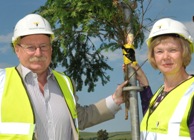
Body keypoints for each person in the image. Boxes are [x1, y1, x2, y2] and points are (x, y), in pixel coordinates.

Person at [0, 13, 128, 140]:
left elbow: (80, 118)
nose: (38, 53)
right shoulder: (2, 81)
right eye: (31, 47)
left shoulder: (65, 82)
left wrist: (115, 99)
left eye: (43, 46)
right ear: (17, 50)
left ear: (51, 49)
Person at [131, 18, 194, 139]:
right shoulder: (161, 93)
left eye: (172, 50)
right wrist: (144, 86)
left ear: (184, 52)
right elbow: (154, 122)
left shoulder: (191, 92)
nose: (165, 57)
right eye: (159, 51)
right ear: (153, 57)